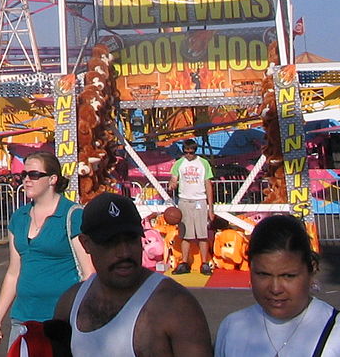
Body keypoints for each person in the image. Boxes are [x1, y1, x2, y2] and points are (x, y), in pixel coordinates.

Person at [53, 192, 212, 357]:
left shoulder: (176, 307)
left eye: (131, 239)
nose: (124, 252)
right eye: (110, 241)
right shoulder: (70, 303)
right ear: (85, 244)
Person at [0, 153, 92, 348]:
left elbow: (89, 273)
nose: (27, 180)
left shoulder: (72, 215)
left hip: (61, 322)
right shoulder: (19, 217)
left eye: (34, 174)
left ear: (53, 179)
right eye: (24, 174)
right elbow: (14, 273)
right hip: (22, 320)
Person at [215, 213, 340, 356]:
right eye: (263, 274)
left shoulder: (336, 332)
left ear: (312, 269)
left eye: (288, 276)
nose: (275, 288)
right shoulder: (232, 328)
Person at [169, 139, 215, 275]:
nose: (188, 155)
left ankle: (204, 263)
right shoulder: (178, 164)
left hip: (200, 200)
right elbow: (173, 179)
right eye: (186, 152)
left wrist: (210, 208)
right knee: (185, 235)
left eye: (191, 152)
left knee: (202, 235)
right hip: (184, 200)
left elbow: (208, 185)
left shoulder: (203, 163)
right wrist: (172, 184)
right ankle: (184, 263)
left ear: (195, 151)